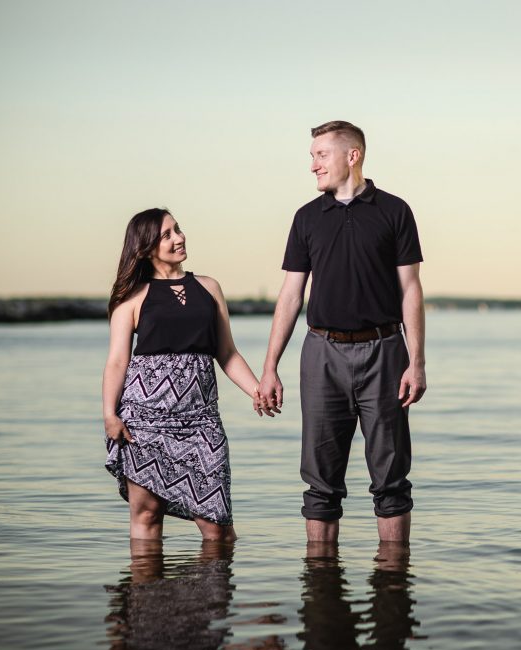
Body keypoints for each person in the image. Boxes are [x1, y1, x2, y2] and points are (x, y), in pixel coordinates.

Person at [259, 120, 426, 545]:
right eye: (312, 156)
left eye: (320, 155)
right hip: (322, 354)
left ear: (352, 156)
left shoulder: (395, 211)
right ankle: (321, 588)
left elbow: (410, 290)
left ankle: (392, 587)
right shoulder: (306, 218)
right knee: (320, 481)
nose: (313, 165)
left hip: (385, 352)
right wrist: (269, 368)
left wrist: (417, 362)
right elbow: (291, 295)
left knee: (391, 477)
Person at [103, 208, 275, 542]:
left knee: (218, 529)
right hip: (145, 420)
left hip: (201, 421)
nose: (179, 238)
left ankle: (214, 593)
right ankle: (145, 593)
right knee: (147, 515)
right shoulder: (131, 296)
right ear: (146, 247)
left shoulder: (209, 288)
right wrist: (109, 414)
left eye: (177, 229)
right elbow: (116, 361)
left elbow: (226, 352)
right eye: (166, 235)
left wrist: (258, 390)